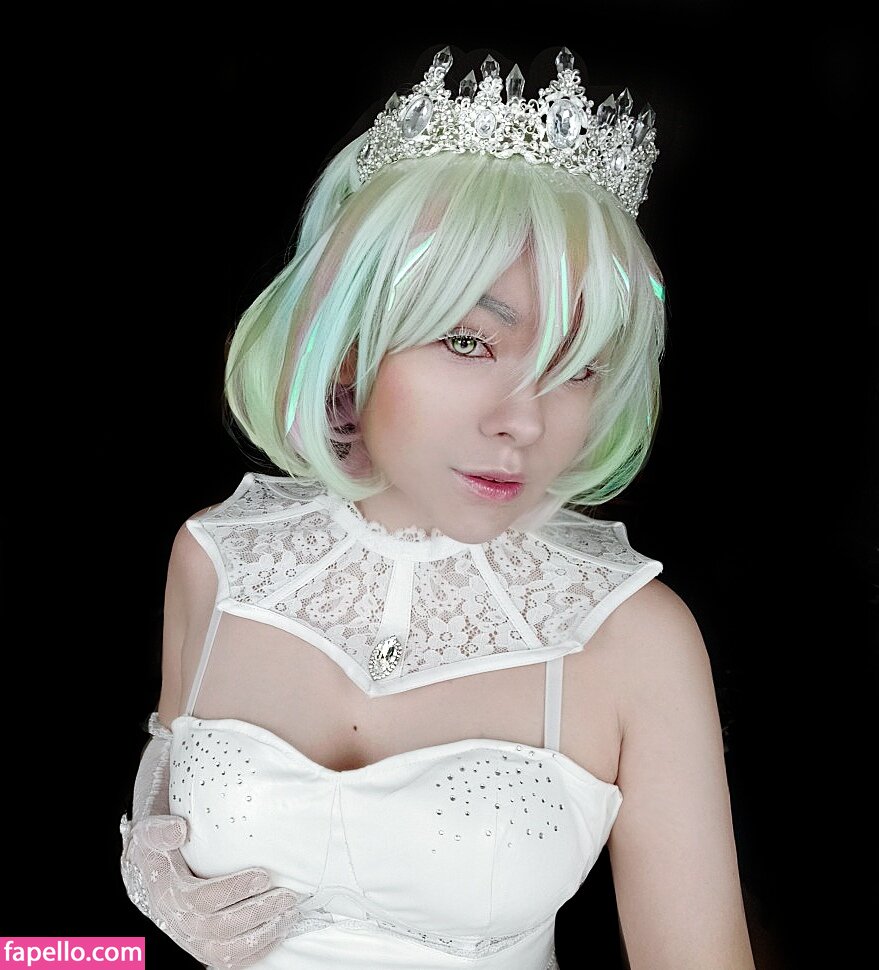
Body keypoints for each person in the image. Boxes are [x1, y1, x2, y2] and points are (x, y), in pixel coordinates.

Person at [119, 44, 756, 970]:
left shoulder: (634, 639)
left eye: (577, 365)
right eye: (468, 342)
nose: (523, 421)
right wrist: (141, 880)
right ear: (349, 344)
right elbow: (139, 829)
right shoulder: (216, 561)